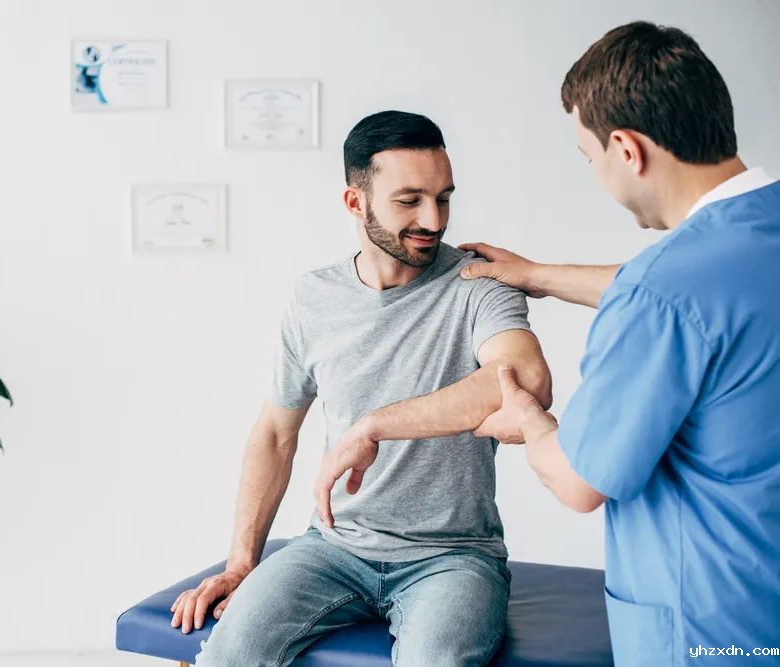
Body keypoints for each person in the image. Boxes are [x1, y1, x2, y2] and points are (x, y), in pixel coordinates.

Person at [326, 22, 780, 666]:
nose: (597, 177)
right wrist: (538, 275)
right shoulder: (749, 243)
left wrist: (530, 423)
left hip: (712, 628)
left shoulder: (661, 294)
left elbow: (578, 480)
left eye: (589, 158)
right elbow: (706, 287)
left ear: (627, 149)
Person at [171, 110, 552, 666]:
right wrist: (240, 563)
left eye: (443, 198)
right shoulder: (313, 298)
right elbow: (275, 433)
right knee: (228, 654)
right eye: (409, 200)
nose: (433, 219)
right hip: (333, 548)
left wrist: (375, 425)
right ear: (356, 202)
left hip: (452, 557)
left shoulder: (478, 283)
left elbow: (525, 379)